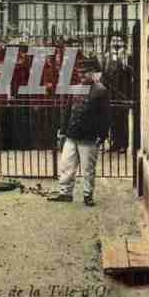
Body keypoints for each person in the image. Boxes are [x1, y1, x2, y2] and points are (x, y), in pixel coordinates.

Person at [49, 56, 110, 205]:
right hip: (72, 135)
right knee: (66, 166)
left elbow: (106, 116)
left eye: (85, 72)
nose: (82, 75)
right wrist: (62, 132)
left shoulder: (101, 91)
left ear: (92, 73)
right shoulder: (75, 89)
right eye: (80, 72)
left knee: (88, 169)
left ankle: (88, 195)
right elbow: (67, 112)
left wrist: (101, 136)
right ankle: (65, 193)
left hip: (89, 137)